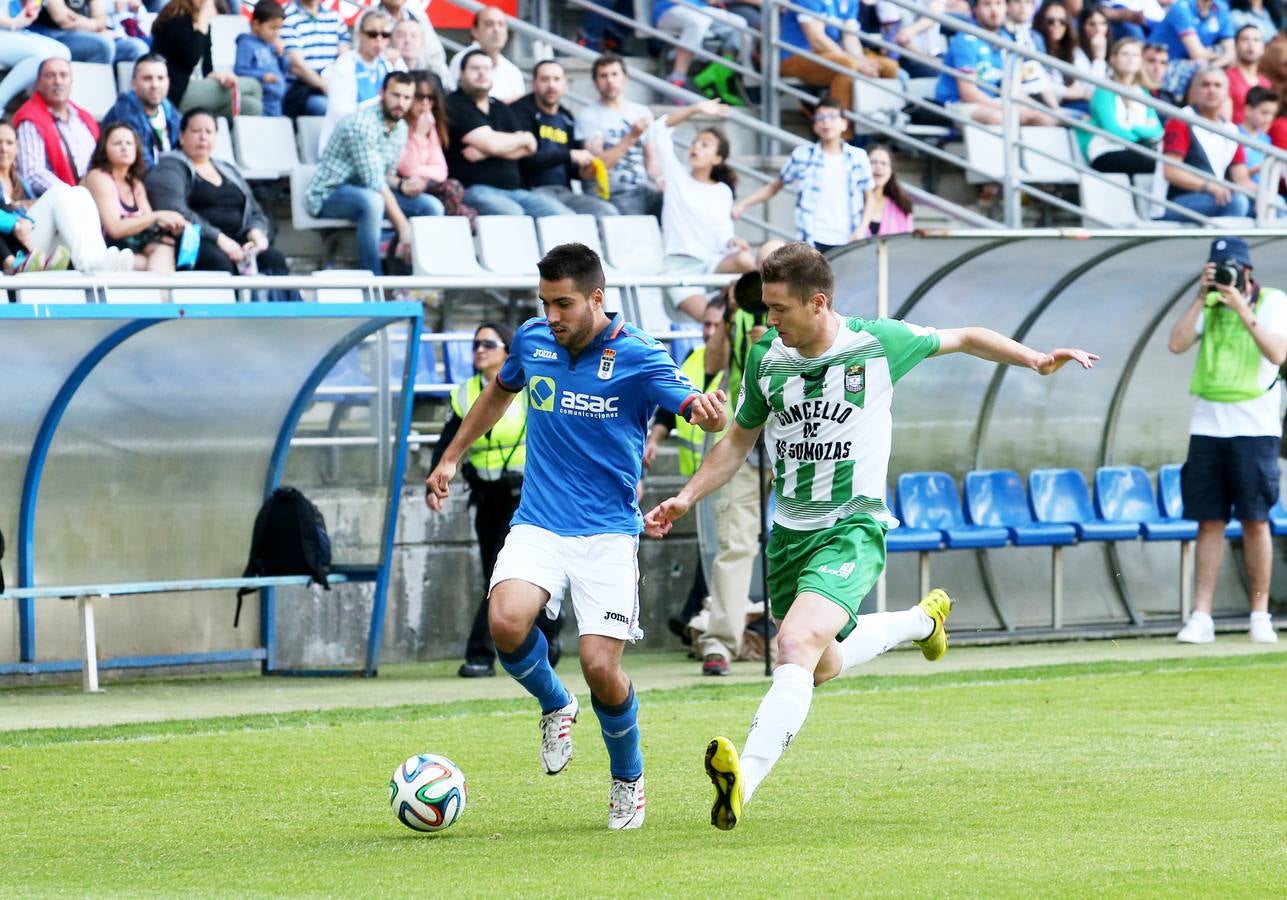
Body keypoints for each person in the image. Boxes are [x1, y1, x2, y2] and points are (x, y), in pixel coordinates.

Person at [642, 242, 1098, 831]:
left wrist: (1036, 361)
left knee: (795, 644)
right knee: (820, 663)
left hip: (852, 525)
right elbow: (737, 440)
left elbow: (963, 336)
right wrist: (687, 496)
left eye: (779, 308)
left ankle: (743, 782)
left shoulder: (878, 343)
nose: (769, 319)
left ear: (818, 302)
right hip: (790, 534)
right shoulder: (764, 357)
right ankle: (920, 623)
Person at [425, 242, 729, 831]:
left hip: (608, 533)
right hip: (538, 519)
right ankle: (554, 704)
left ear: (597, 297)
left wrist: (710, 414)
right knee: (506, 622)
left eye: (563, 303)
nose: (552, 315)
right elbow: (498, 392)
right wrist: (451, 456)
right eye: (545, 302)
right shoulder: (534, 340)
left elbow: (690, 404)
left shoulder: (638, 355)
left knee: (599, 665)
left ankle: (628, 780)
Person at [430, 322, 566, 678]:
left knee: (500, 575)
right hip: (485, 499)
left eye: (488, 343)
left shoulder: (531, 388)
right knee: (498, 576)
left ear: (508, 350)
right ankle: (546, 640)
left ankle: (481, 654)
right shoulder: (465, 393)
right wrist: (437, 477)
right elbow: (449, 441)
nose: (479, 350)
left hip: (525, 498)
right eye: (475, 344)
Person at [1168, 237, 1285, 646]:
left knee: (1256, 520)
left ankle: (1259, 614)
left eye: (1231, 269)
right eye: (1217, 269)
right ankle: (1201, 616)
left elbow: (1277, 353)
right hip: (1208, 427)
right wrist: (1202, 297)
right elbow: (1177, 343)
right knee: (1209, 521)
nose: (1225, 276)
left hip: (1255, 428)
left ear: (1249, 271)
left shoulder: (1272, 301)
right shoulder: (1209, 302)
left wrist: (1241, 307)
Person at [642, 295, 729, 649]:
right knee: (711, 548)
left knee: (721, 549)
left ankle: (698, 617)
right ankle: (697, 617)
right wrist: (654, 437)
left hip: (727, 474)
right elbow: (669, 407)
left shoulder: (738, 365)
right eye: (705, 324)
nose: (707, 331)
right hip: (698, 477)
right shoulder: (692, 359)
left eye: (715, 325)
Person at [645, 98, 755, 323]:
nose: (696, 147)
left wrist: (733, 242)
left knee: (745, 259)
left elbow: (724, 234)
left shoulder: (723, 191)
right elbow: (659, 129)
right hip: (680, 268)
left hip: (711, 263)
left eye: (705, 144)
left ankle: (769, 305)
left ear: (718, 158)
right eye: (695, 142)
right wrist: (695, 108)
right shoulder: (676, 177)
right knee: (713, 322)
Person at [146, 109, 287, 274]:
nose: (203, 136)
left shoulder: (227, 169)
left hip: (238, 239)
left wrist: (256, 233)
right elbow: (175, 210)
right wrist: (219, 239)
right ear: (182, 136)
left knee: (273, 258)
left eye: (209, 131)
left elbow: (255, 211)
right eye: (196, 131)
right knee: (218, 262)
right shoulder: (169, 167)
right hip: (194, 242)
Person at [308, 72, 418, 276]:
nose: (400, 103)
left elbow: (385, 175)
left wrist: (403, 185)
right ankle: (374, 282)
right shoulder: (361, 125)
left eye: (407, 98)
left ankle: (414, 281)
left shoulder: (400, 127)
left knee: (431, 206)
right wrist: (403, 227)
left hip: (369, 191)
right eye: (395, 95)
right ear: (382, 93)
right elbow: (376, 182)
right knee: (373, 201)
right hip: (330, 194)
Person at [732, 97, 875, 253]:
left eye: (832, 117)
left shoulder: (858, 157)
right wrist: (743, 204)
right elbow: (774, 187)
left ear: (844, 123)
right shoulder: (802, 155)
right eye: (820, 118)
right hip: (812, 239)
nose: (826, 123)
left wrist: (861, 230)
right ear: (815, 125)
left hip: (849, 239)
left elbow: (870, 198)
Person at [445, 50, 572, 217]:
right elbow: (492, 143)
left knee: (561, 215)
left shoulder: (499, 107)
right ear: (461, 73)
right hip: (474, 189)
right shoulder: (454, 104)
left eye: (487, 68)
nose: (482, 73)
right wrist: (513, 141)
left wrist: (486, 151)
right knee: (514, 215)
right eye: (475, 68)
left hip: (514, 191)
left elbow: (530, 146)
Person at [0, 119, 133, 273]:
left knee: (80, 193)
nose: (3, 148)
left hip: (28, 243)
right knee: (60, 192)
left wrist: (26, 206)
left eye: (9, 143)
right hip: (11, 251)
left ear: (17, 147)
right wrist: (15, 222)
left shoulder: (21, 183)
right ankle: (87, 262)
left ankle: (99, 259)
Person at [509, 59, 619, 218]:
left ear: (565, 84)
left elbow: (571, 168)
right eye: (545, 79)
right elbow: (523, 160)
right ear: (533, 84)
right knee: (565, 218)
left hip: (564, 192)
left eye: (556, 79)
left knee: (608, 212)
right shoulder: (520, 111)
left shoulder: (566, 117)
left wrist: (585, 169)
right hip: (530, 191)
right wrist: (570, 155)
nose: (551, 85)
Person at [779, 0, 899, 140]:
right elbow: (816, 39)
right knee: (847, 66)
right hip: (795, 56)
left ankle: (876, 134)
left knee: (889, 67)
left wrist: (863, 62)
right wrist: (856, 63)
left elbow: (850, 39)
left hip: (830, 55)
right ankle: (840, 137)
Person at [935, 0, 1061, 125]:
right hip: (958, 103)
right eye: (987, 4)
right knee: (999, 118)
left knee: (1044, 118)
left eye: (998, 3)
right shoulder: (965, 39)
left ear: (1006, 7)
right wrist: (1009, 108)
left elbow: (1013, 88)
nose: (994, 10)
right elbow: (968, 93)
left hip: (995, 101)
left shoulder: (1006, 40)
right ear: (975, 9)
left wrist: (1039, 110)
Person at [82, 122, 186, 272]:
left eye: (129, 143)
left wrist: (170, 224)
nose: (124, 147)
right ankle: (163, 294)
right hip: (105, 252)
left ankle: (160, 292)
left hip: (133, 251)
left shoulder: (136, 184)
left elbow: (149, 226)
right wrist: (157, 216)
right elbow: (115, 229)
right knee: (161, 263)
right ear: (104, 149)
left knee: (166, 243)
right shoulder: (98, 177)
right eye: (117, 143)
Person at [1156, 66, 1256, 219]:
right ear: (1194, 91)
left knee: (1271, 203)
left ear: (1227, 92)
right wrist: (1210, 187)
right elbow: (1171, 172)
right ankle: (1223, 243)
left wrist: (1265, 195)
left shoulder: (1231, 130)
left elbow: (1242, 179)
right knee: (1237, 202)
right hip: (1174, 201)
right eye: (1205, 85)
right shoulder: (1181, 120)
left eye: (1217, 85)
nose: (1212, 90)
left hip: (1212, 197)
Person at [575, 54, 662, 217]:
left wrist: (662, 180)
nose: (610, 80)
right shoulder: (588, 116)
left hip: (643, 190)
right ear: (595, 82)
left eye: (614, 74)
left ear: (625, 78)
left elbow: (651, 161)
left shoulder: (641, 112)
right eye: (603, 76)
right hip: (614, 194)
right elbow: (595, 168)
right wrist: (631, 136)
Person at [150, 0, 264, 118]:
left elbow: (207, 69)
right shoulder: (176, 18)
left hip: (200, 90)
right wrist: (203, 17)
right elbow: (192, 57)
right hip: (177, 92)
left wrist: (220, 77)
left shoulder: (203, 24)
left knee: (252, 106)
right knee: (254, 86)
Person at [316, 8, 407, 153]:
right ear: (360, 34)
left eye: (385, 35)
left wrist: (398, 64)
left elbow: (406, 97)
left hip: (379, 144)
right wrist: (382, 103)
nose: (379, 40)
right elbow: (342, 113)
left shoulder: (389, 63)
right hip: (345, 145)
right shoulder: (346, 63)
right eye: (372, 34)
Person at [397, 71, 476, 229]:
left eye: (431, 98)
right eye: (420, 97)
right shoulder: (399, 126)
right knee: (453, 198)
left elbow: (441, 171)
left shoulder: (430, 126)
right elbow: (406, 170)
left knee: (455, 190)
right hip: (402, 187)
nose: (425, 103)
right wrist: (419, 135)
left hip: (424, 185)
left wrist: (420, 173)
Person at [1078, 37, 1164, 174]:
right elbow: (1113, 130)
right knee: (1160, 164)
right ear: (1113, 58)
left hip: (1139, 150)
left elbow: (1158, 131)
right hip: (1106, 152)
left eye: (1135, 55)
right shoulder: (1104, 90)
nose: (1131, 59)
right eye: (1125, 54)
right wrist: (1143, 132)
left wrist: (1131, 126)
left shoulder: (1142, 91)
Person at [14, 58, 98, 197]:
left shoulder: (84, 118)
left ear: (71, 81)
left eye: (63, 75)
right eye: (50, 76)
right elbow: (32, 173)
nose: (58, 81)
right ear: (38, 83)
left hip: (98, 195)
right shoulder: (30, 119)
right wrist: (72, 195)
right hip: (62, 201)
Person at [101, 55, 182, 170]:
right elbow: (141, 165)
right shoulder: (124, 113)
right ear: (133, 84)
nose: (155, 85)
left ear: (168, 82)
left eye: (160, 78)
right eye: (147, 78)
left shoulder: (172, 114)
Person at [1150, 0, 1235, 105]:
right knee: (1201, 68)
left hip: (1196, 65)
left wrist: (1212, 65)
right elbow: (1196, 53)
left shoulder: (1221, 8)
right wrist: (1218, 56)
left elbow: (1231, 53)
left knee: (1218, 80)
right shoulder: (1182, 7)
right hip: (1163, 64)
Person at [652, 0, 748, 90]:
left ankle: (723, 72)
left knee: (740, 23)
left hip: (701, 8)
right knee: (698, 21)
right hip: (671, 7)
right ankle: (677, 78)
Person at [281, 0, 350, 117]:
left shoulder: (335, 17)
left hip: (332, 85)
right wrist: (325, 87)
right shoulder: (285, 16)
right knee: (326, 107)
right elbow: (297, 66)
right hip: (301, 91)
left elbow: (345, 58)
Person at [0, 3, 72, 113]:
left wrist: (31, 7)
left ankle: (38, 108)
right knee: (42, 56)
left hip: (12, 32)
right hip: (7, 30)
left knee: (62, 55)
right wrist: (13, 23)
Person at [446, 5, 525, 103]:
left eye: (501, 24)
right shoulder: (461, 61)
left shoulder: (513, 72)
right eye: (489, 24)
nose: (496, 29)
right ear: (475, 31)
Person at [28, 0, 146, 65]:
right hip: (54, 36)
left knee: (136, 48)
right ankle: (95, 100)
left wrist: (92, 26)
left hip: (90, 35)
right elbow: (63, 20)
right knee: (103, 46)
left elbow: (101, 21)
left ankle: (128, 104)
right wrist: (94, 26)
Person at [235, 0, 289, 118]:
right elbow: (240, 70)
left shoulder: (271, 44)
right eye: (272, 28)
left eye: (279, 29)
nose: (276, 33)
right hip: (262, 100)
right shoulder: (246, 43)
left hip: (277, 102)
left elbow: (284, 70)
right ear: (256, 24)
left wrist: (282, 55)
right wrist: (262, 76)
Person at [378, 0, 448, 82]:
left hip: (423, 78)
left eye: (413, 35)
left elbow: (435, 55)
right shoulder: (371, 18)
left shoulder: (418, 15)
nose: (408, 41)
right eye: (401, 35)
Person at [857, 145, 915, 236]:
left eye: (884, 163)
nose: (879, 167)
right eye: (873, 162)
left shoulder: (902, 206)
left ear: (891, 171)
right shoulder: (852, 202)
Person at [1227, 25, 1271, 123]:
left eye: (1256, 40)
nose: (1251, 44)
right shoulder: (1226, 78)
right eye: (1245, 39)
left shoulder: (1266, 83)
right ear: (1235, 45)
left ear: (1263, 48)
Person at [1238, 85, 1280, 181]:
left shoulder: (1266, 139)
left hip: (1266, 191)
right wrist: (1261, 168)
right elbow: (1234, 175)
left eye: (1272, 114)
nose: (1269, 118)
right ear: (1248, 110)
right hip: (1243, 191)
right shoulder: (1235, 134)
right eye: (1264, 113)